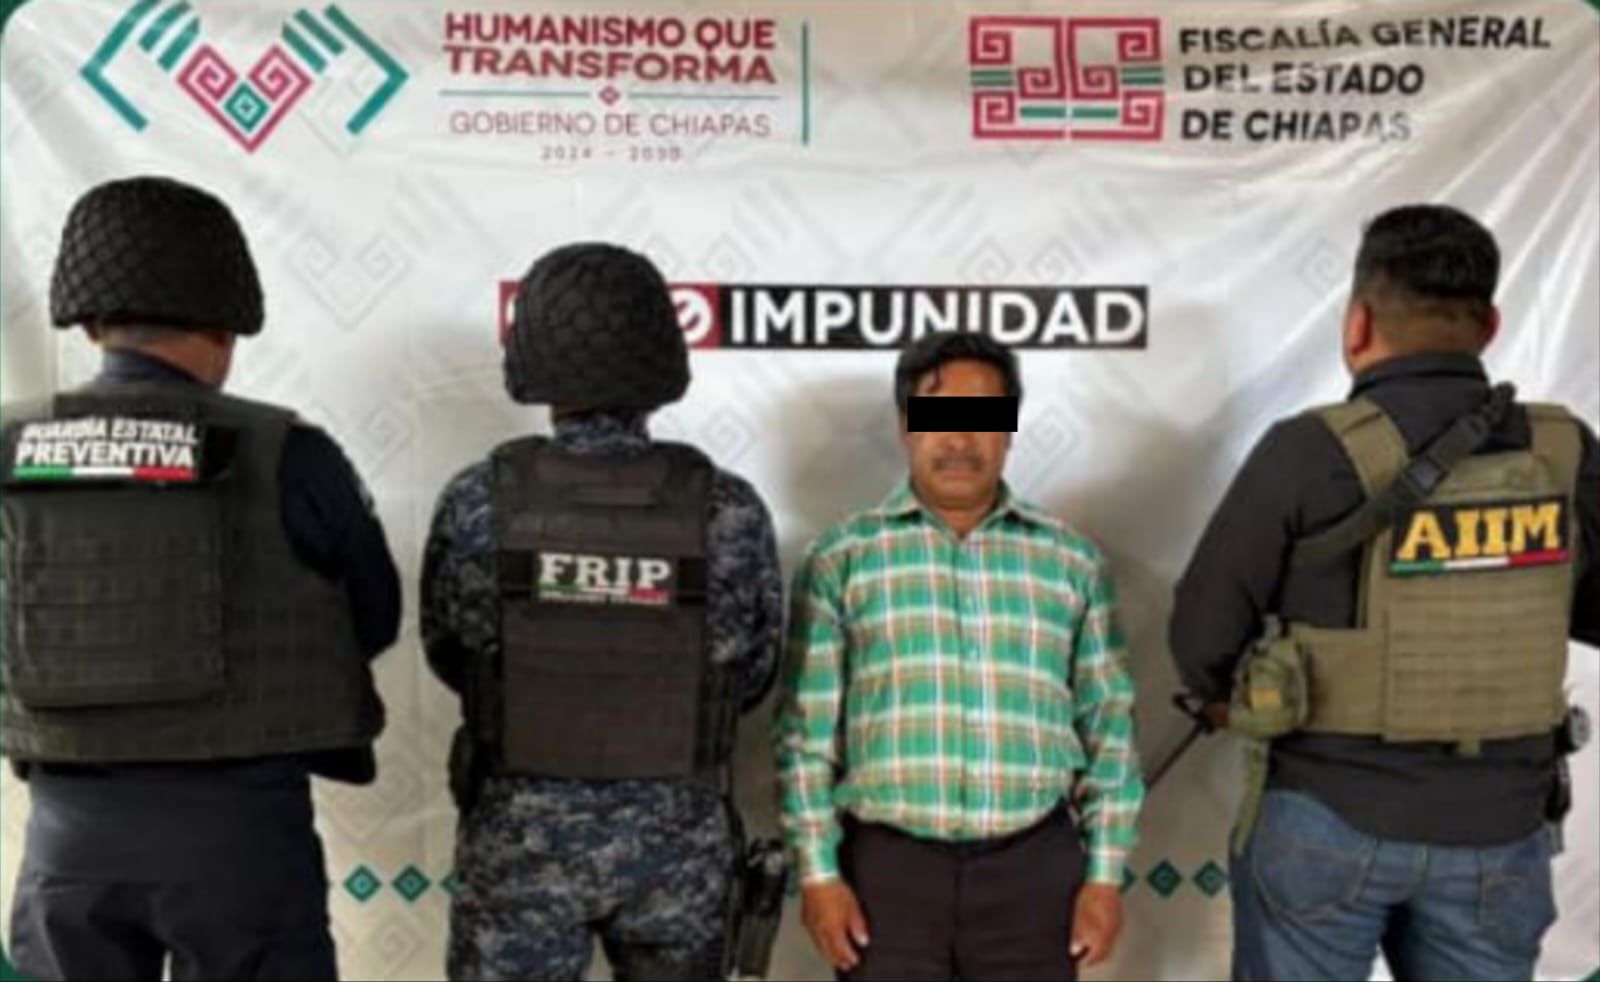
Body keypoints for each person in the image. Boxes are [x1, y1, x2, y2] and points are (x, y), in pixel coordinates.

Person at [1171, 203, 1600, 981]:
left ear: (1359, 325)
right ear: (1490, 325)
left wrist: (1230, 697)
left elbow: (1202, 636)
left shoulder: (1308, 451)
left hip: (1326, 816)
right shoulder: (1561, 449)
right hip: (1501, 829)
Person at [2, 176, 401, 981]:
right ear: (226, 326)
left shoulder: (9, 448)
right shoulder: (290, 453)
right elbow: (375, 618)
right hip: (243, 839)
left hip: (67, 838)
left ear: (89, 324)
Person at [422, 242, 783, 981]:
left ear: (533, 360)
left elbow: (450, 649)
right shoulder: (728, 509)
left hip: (522, 844)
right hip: (678, 849)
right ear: (661, 365)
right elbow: (753, 670)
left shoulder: (478, 499)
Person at [775, 331, 1144, 981]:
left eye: (983, 418)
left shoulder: (1071, 563)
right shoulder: (842, 560)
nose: (959, 440)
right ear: (905, 425)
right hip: (887, 878)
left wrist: (1105, 877)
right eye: (938, 416)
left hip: (1033, 875)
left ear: (1010, 429)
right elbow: (806, 738)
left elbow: (1109, 729)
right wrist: (819, 875)